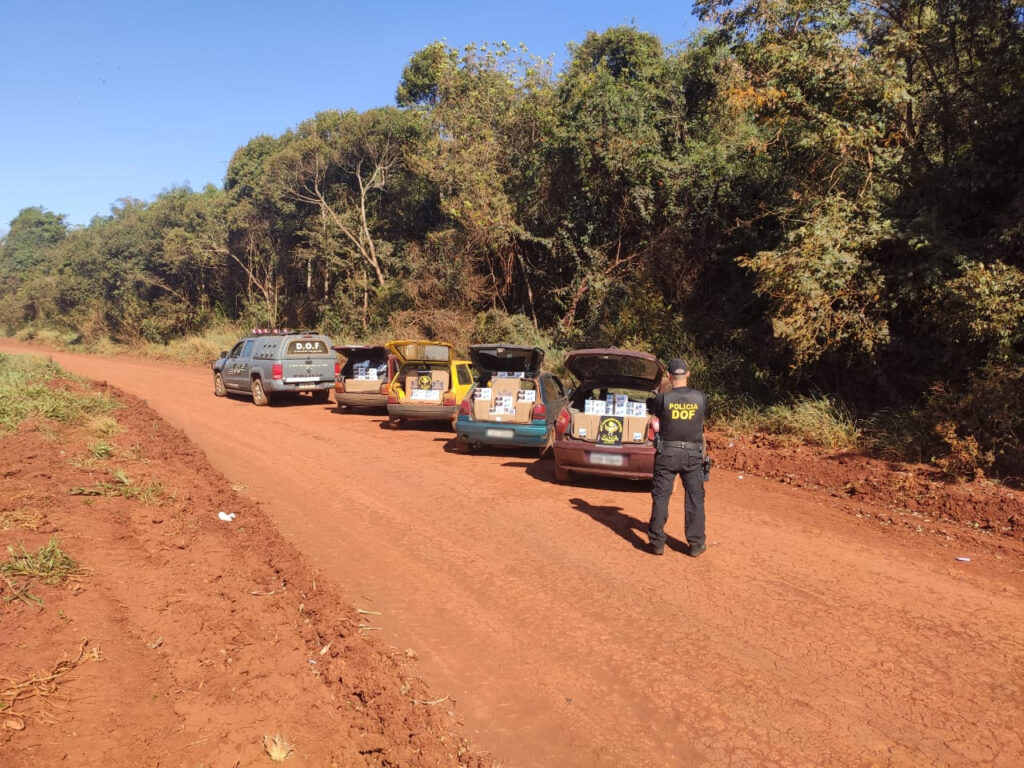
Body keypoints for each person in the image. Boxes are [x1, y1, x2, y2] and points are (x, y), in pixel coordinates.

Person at [647, 358, 707, 557]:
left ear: (669, 377)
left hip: (668, 453)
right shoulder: (701, 398)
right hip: (693, 454)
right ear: (688, 374)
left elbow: (653, 411)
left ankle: (657, 543)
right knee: (695, 499)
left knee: (661, 496)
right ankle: (696, 544)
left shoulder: (663, 399)